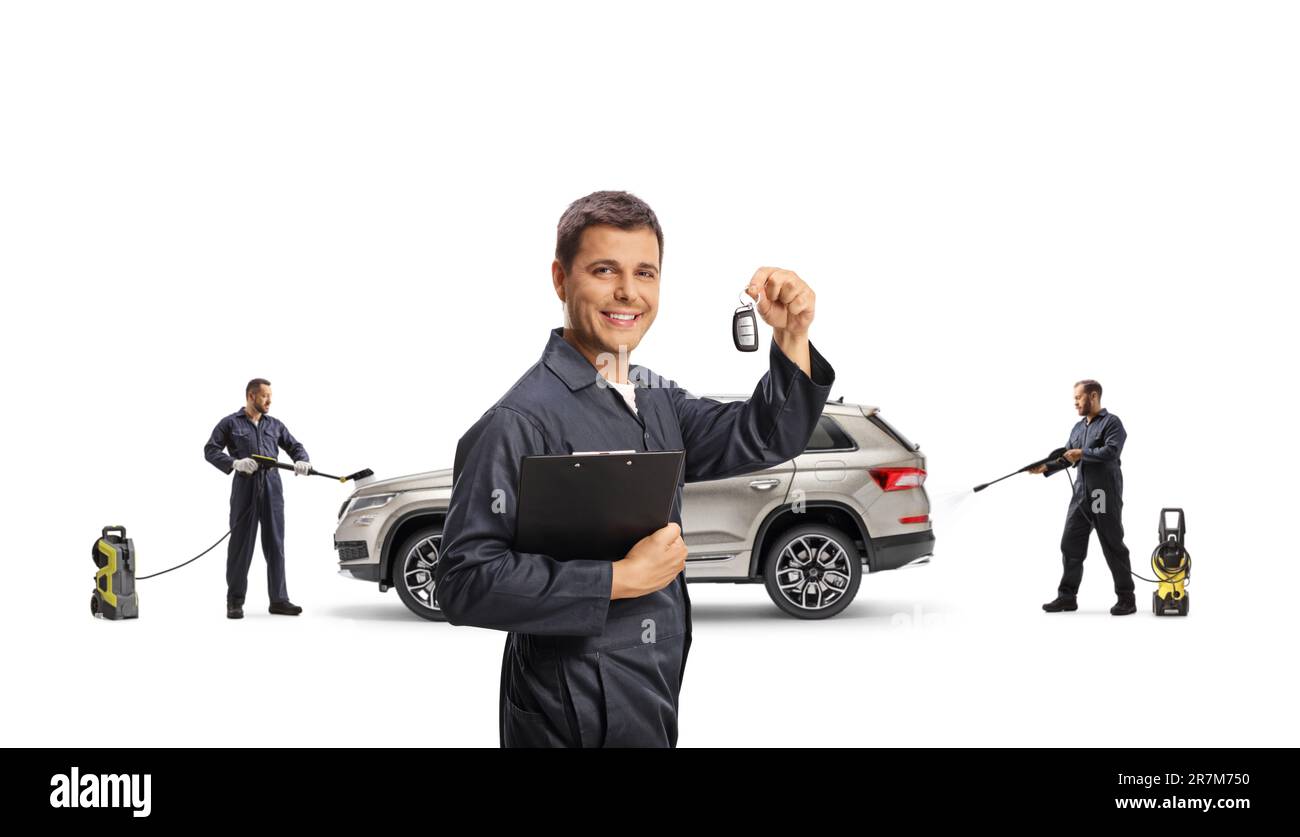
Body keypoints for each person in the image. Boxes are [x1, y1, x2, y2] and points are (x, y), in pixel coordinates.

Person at [436, 190, 836, 747]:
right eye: (605, 270)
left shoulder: (653, 397)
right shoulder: (518, 421)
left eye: (645, 273)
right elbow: (462, 581)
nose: (629, 292)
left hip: (649, 690)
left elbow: (764, 436)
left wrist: (792, 335)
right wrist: (617, 579)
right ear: (560, 279)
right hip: (569, 709)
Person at [203, 378, 312, 619]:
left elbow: (295, 446)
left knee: (275, 544)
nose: (269, 401)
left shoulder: (275, 425)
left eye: (270, 396)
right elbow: (210, 450)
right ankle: (235, 601)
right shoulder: (230, 423)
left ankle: (279, 600)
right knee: (241, 545)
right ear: (251, 396)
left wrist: (301, 460)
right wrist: (234, 463)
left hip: (272, 487)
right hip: (245, 486)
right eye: (265, 396)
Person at [1031, 379, 1136, 615]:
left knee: (1111, 544)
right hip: (1081, 494)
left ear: (1094, 396)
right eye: (1075, 399)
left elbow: (1111, 452)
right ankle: (1067, 597)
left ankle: (1126, 598)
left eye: (1078, 398)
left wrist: (1082, 453)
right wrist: (1045, 467)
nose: (1075, 403)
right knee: (1070, 543)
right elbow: (1067, 457)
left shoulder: (1112, 423)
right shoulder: (1078, 428)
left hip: (1102, 494)